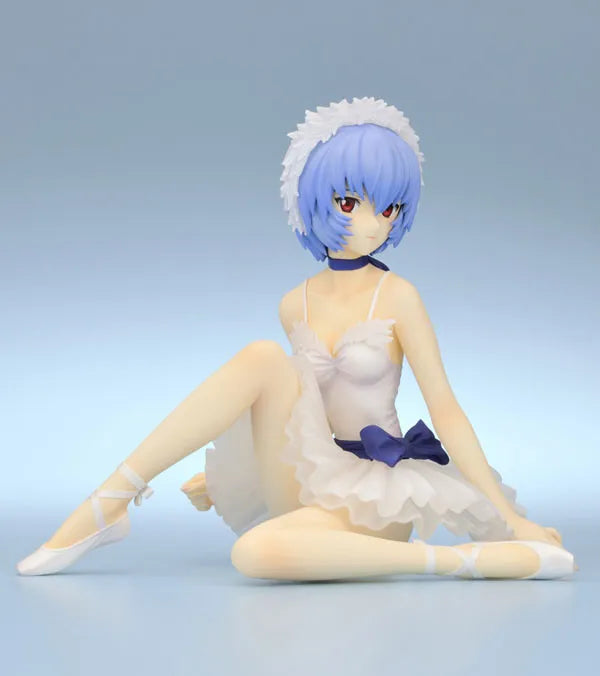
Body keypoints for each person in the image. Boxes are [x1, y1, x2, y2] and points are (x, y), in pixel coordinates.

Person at [16, 96, 575, 580]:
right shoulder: (294, 303)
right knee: (264, 358)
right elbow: (298, 408)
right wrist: (226, 475)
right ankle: (111, 500)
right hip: (315, 478)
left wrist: (510, 518)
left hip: (378, 493)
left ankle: (462, 561)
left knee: (255, 553)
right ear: (313, 201)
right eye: (350, 203)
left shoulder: (397, 296)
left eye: (389, 208)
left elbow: (445, 410)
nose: (373, 223)